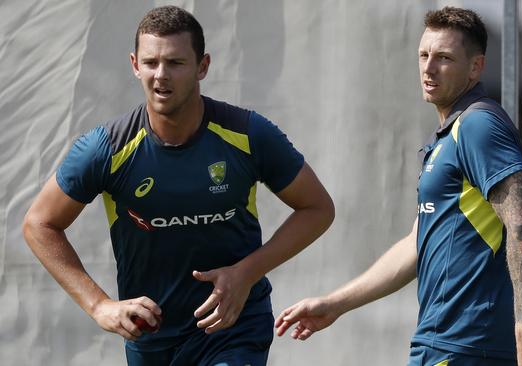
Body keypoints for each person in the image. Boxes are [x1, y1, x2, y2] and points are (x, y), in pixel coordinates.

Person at [22, 5, 334, 366]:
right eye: (151, 63)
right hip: (152, 338)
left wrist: (247, 272)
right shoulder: (106, 148)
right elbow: (39, 224)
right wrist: (99, 305)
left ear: (203, 66)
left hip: (232, 329)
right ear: (134, 64)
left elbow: (317, 208)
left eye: (175, 63)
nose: (161, 76)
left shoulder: (248, 134)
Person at [275, 7, 522, 366]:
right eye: (424, 55)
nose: (428, 67)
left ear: (475, 67)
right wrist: (336, 304)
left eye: (444, 58)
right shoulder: (447, 136)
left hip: (472, 344)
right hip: (446, 342)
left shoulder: (478, 126)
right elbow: (416, 243)